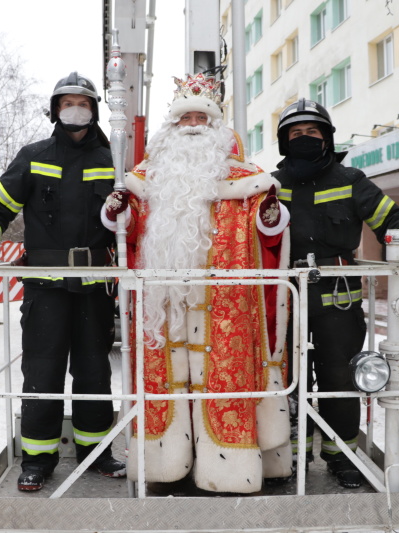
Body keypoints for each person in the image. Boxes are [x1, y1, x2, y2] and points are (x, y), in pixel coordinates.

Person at [102, 73, 293, 493]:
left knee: (224, 382)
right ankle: (165, 466)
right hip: (164, 305)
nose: (192, 125)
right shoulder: (145, 178)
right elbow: (128, 230)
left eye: (200, 119)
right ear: (171, 127)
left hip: (224, 305)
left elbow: (271, 228)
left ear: (215, 127)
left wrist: (271, 215)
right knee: (165, 383)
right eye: (184, 118)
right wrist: (117, 210)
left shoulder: (246, 179)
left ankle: (228, 472)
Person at [272, 98, 399, 488]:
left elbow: (391, 220)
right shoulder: (271, 185)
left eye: (312, 132)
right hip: (284, 304)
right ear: (285, 142)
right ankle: (288, 456)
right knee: (286, 382)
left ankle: (341, 455)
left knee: (339, 380)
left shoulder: (351, 181)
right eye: (296, 134)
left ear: (327, 138)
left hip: (339, 304)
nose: (304, 139)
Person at [0, 72, 126, 492]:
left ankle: (97, 452)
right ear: (55, 110)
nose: (75, 109)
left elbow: (133, 220)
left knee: (94, 372)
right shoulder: (34, 155)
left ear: (94, 111)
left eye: (83, 103)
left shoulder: (114, 161)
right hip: (44, 288)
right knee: (42, 372)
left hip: (94, 286)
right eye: (67, 102)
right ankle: (37, 458)